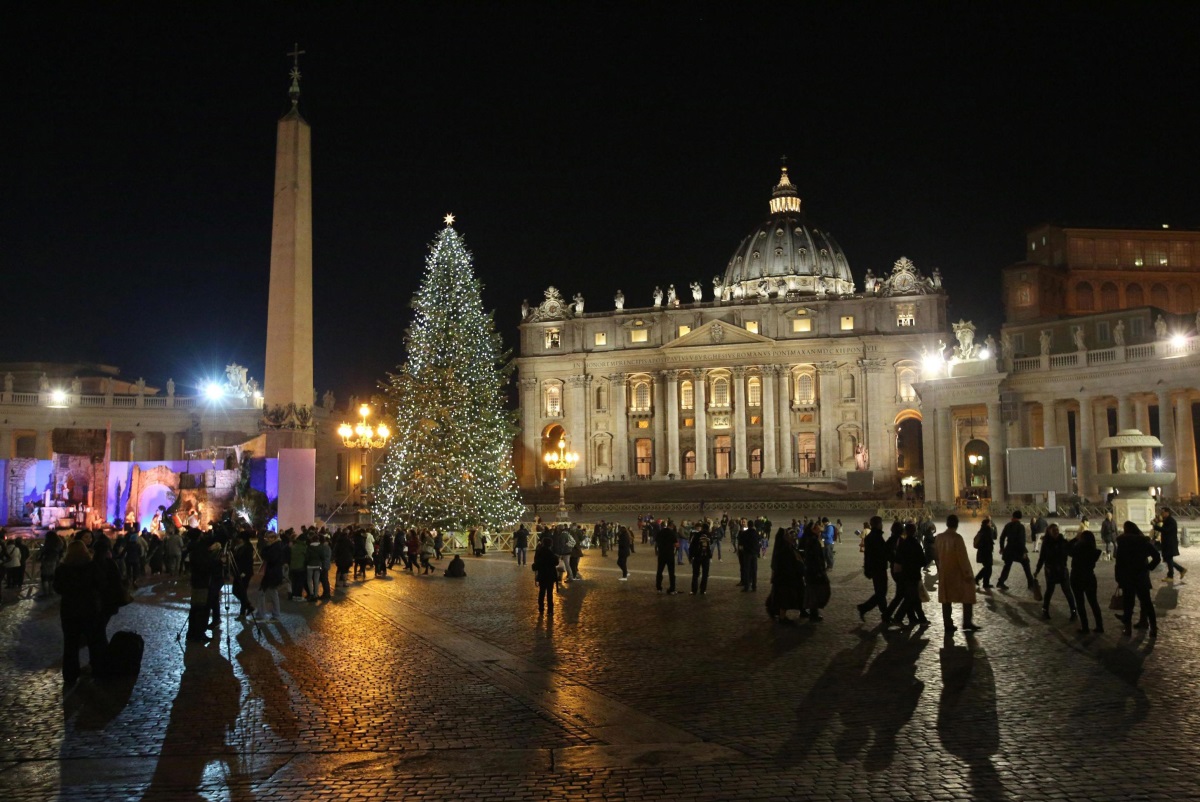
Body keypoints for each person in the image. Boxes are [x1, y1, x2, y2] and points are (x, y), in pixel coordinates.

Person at [54, 541, 105, 685]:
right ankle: (98, 670)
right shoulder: (92, 566)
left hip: (70, 609)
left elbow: (57, 588)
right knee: (93, 641)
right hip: (89, 607)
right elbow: (101, 583)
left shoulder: (63, 569)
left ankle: (70, 673)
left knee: (70, 643)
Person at [933, 515, 979, 634]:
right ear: (957, 524)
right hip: (957, 573)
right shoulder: (957, 538)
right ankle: (967, 622)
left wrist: (940, 568)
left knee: (946, 599)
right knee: (968, 595)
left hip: (944, 572)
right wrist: (967, 573)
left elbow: (936, 555)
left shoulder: (939, 537)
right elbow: (962, 557)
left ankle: (947, 623)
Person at [1114, 521, 1160, 637]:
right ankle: (1153, 628)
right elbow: (1157, 557)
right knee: (1147, 603)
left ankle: (1128, 629)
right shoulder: (1143, 542)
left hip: (1127, 576)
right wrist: (1148, 567)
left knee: (1128, 604)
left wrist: (1119, 578)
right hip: (1141, 576)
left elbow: (1118, 563)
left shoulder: (1123, 543)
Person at [1035, 523, 1077, 620]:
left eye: (1057, 530)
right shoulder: (1046, 543)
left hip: (1062, 569)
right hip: (1051, 570)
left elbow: (1069, 549)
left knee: (1067, 591)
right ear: (1049, 532)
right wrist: (1037, 570)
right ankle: (1045, 610)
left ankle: (1074, 611)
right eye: (1054, 530)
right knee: (1049, 591)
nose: (1056, 532)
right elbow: (1042, 558)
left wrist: (1076, 540)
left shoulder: (1062, 541)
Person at [1068, 525, 1104, 634]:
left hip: (1077, 577)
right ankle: (1099, 626)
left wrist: (1075, 538)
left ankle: (1085, 627)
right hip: (1089, 577)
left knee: (1080, 603)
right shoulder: (1093, 551)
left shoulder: (1078, 549)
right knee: (1093, 603)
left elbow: (1067, 549)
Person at [893, 522, 930, 626]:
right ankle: (898, 617)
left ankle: (920, 619)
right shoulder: (916, 544)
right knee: (911, 598)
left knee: (914, 598)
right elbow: (923, 561)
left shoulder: (903, 544)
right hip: (914, 574)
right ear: (914, 532)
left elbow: (898, 559)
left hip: (904, 574)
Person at [856, 516, 890, 623]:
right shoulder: (877, 537)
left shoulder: (871, 537)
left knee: (880, 592)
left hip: (875, 568)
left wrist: (867, 568)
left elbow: (867, 555)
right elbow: (883, 552)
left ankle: (885, 614)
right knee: (881, 592)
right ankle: (864, 607)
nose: (882, 525)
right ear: (878, 524)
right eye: (881, 523)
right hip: (879, 568)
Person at [766, 528, 804, 620]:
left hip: (785, 578)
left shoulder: (786, 547)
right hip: (785, 578)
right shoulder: (784, 550)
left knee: (779, 596)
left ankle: (776, 611)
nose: (792, 537)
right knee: (783, 597)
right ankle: (781, 616)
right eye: (789, 535)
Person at [799, 523, 831, 621]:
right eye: (818, 528)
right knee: (816, 592)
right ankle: (813, 614)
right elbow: (815, 558)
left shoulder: (811, 539)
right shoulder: (813, 541)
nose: (820, 530)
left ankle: (811, 612)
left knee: (814, 592)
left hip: (812, 571)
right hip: (814, 571)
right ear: (813, 530)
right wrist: (820, 570)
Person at [996, 511, 1035, 590]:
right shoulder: (1020, 527)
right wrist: (1023, 552)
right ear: (1020, 518)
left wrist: (1002, 548)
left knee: (1007, 566)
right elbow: (1021, 540)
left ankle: (1000, 582)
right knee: (1026, 565)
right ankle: (1031, 583)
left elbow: (1002, 538)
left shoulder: (1008, 525)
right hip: (1017, 550)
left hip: (1009, 549)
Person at [259, 532, 287, 620]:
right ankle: (262, 613)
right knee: (263, 592)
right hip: (271, 573)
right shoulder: (274, 546)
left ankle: (275, 614)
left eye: (268, 538)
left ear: (273, 538)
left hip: (273, 573)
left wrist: (264, 551)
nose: (267, 540)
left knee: (272, 593)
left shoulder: (276, 547)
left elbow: (270, 558)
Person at [1153, 507, 1186, 582]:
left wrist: (1156, 526)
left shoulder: (1171, 521)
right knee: (1168, 559)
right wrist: (1157, 522)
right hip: (1167, 543)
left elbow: (1166, 530)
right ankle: (1181, 570)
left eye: (1162, 512)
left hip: (1170, 543)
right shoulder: (1167, 520)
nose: (1161, 514)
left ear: (1167, 512)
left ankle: (1171, 575)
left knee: (1168, 559)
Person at [232, 531, 256, 618]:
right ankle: (248, 606)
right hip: (238, 572)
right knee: (236, 591)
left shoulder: (247, 547)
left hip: (244, 573)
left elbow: (248, 561)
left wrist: (244, 572)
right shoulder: (240, 547)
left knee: (242, 592)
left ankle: (242, 613)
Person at [532, 536, 557, 614]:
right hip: (550, 575)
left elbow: (536, 564)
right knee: (550, 593)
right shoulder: (551, 553)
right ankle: (550, 610)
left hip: (542, 574)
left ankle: (541, 608)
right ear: (550, 544)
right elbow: (555, 562)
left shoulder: (539, 552)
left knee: (542, 592)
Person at [655, 521, 679, 594]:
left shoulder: (660, 532)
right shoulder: (672, 533)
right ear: (672, 526)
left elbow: (656, 542)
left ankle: (659, 588)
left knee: (659, 571)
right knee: (671, 572)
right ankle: (672, 588)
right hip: (670, 555)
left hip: (661, 554)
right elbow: (676, 545)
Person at [689, 523, 713, 595]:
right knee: (705, 574)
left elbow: (692, 545)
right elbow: (710, 545)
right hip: (706, 557)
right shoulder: (709, 535)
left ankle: (694, 590)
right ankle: (703, 590)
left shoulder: (697, 534)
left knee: (695, 574)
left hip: (697, 556)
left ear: (702, 528)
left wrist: (691, 556)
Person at [973, 517, 996, 590]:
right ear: (987, 524)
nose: (990, 524)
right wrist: (994, 528)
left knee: (987, 567)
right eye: (989, 523)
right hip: (986, 552)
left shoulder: (981, 530)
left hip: (982, 552)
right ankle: (981, 581)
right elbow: (994, 537)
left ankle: (980, 580)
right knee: (988, 568)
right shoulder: (988, 530)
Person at [39, 529, 64, 597]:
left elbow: (43, 552)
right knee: (52, 577)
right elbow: (62, 551)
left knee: (45, 577)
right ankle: (51, 591)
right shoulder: (59, 543)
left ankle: (46, 592)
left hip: (47, 560)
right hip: (56, 560)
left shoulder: (48, 543)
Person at [737, 519, 760, 592]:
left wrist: (740, 552)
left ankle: (747, 586)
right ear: (753, 525)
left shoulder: (744, 533)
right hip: (754, 554)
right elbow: (759, 543)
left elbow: (741, 544)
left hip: (747, 554)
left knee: (747, 570)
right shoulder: (756, 533)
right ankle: (754, 586)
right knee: (754, 570)